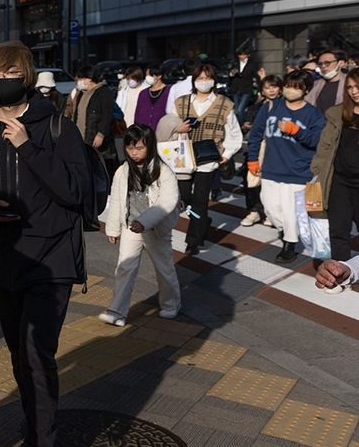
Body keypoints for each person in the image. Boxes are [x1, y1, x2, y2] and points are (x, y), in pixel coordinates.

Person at [0, 41, 90, 446]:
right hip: (5, 260)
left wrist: (28, 146)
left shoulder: (57, 128)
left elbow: (75, 192)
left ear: (26, 76)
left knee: (37, 354)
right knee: (20, 356)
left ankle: (43, 438)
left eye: (10, 73)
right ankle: (35, 422)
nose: (1, 80)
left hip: (53, 260)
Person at [97, 124, 182, 327]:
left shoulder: (164, 172)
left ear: (150, 146)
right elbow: (116, 200)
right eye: (130, 148)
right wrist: (113, 228)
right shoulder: (123, 171)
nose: (134, 153)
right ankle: (117, 311)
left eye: (139, 148)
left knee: (164, 269)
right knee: (125, 267)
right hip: (130, 226)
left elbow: (167, 201)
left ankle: (171, 304)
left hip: (155, 229)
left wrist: (144, 222)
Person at [247, 70, 326, 263]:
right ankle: (289, 230)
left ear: (306, 90)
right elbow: (256, 133)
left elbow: (317, 141)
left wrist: (296, 131)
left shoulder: (313, 114)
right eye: (288, 86)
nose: (291, 90)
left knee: (291, 211)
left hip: (298, 171)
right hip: (271, 168)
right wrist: (252, 159)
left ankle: (289, 244)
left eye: (296, 87)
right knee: (271, 209)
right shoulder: (271, 107)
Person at [171, 63, 243, 256]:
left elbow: (234, 133)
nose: (204, 82)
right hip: (183, 159)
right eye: (200, 78)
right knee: (183, 198)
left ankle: (193, 241)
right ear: (194, 80)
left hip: (208, 160)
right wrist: (178, 129)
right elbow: (169, 124)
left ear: (214, 81)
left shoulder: (224, 104)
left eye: (208, 78)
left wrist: (227, 154)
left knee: (200, 201)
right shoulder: (181, 102)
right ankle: (201, 220)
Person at [310, 71, 359, 273]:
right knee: (338, 230)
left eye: (357, 86)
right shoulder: (337, 113)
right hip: (339, 181)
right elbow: (325, 145)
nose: (354, 91)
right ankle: (340, 273)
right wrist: (317, 170)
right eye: (350, 87)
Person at [241, 75, 283, 227]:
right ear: (262, 91)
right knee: (253, 181)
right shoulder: (258, 106)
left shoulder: (285, 105)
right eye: (267, 87)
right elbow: (254, 132)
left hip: (278, 148)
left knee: (274, 183)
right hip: (260, 147)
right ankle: (256, 210)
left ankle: (272, 213)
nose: (271, 90)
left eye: (274, 86)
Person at [66, 65, 116, 163]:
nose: (78, 81)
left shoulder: (103, 93)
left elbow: (107, 115)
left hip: (94, 134)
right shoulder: (80, 93)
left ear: (88, 79)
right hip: (80, 134)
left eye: (81, 79)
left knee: (98, 161)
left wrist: (101, 134)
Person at [116, 66, 148, 134]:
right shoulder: (124, 90)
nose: (130, 81)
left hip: (140, 124)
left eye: (132, 78)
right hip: (126, 123)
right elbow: (119, 106)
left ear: (138, 78)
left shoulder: (145, 90)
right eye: (128, 79)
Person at [230, 49, 259, 120]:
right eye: (240, 55)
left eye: (244, 54)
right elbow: (230, 75)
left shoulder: (252, 64)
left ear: (248, 55)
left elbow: (256, 76)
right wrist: (232, 73)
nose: (242, 56)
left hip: (247, 89)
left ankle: (242, 124)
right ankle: (240, 124)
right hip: (236, 89)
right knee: (236, 111)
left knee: (240, 109)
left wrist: (258, 89)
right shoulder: (235, 63)